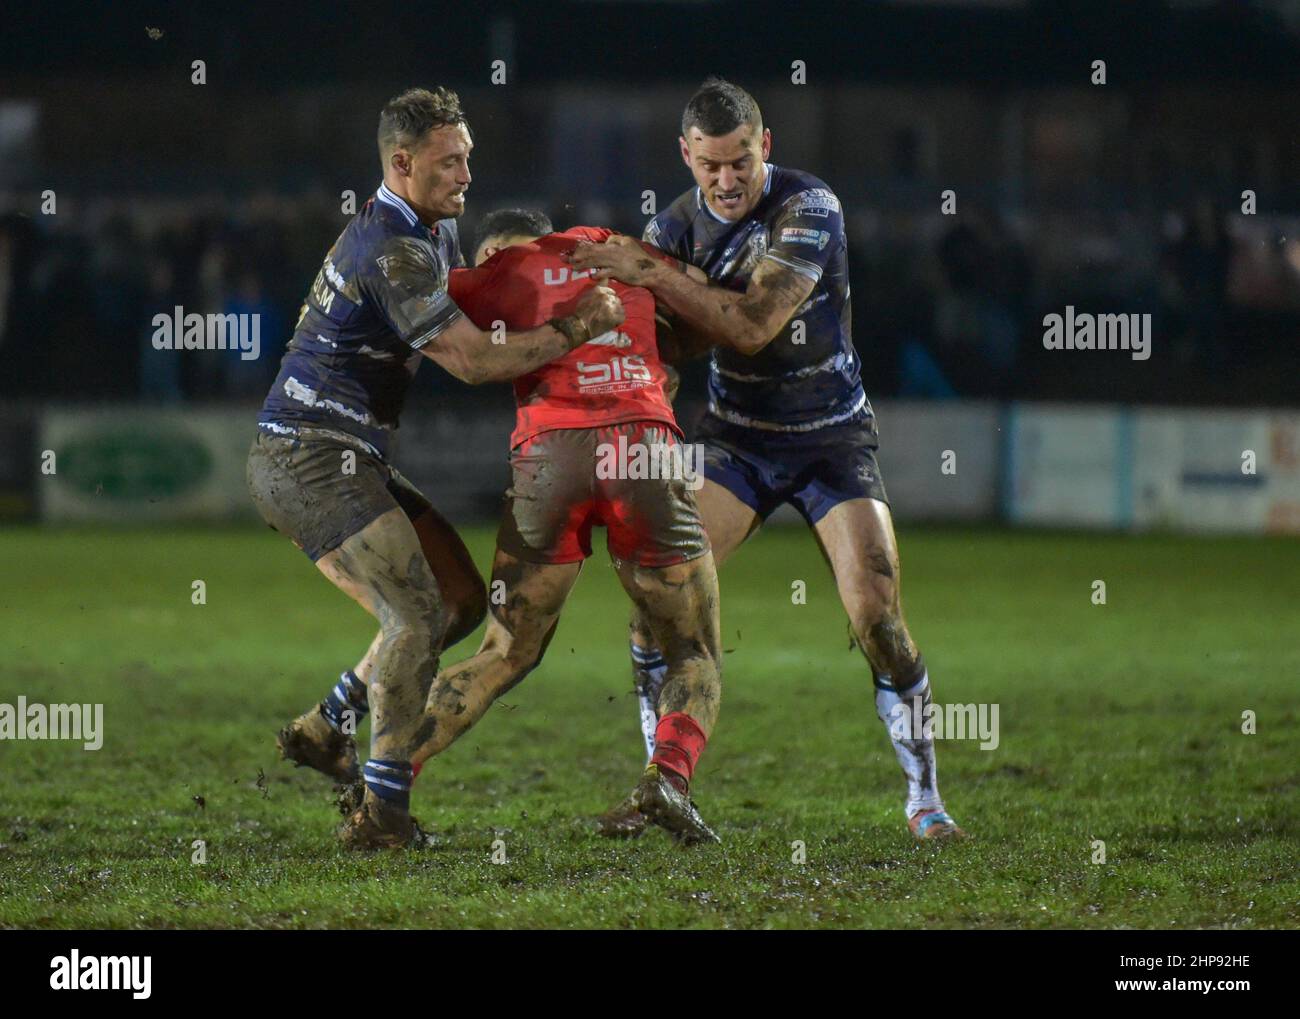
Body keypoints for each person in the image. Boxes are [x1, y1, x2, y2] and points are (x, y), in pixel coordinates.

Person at [569, 78, 966, 841]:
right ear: (686, 154)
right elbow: (665, 345)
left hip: (831, 438)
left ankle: (926, 799)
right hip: (738, 440)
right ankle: (660, 783)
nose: (727, 179)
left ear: (766, 147)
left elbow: (753, 324)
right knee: (659, 602)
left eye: (741, 161)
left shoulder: (809, 208)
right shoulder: (673, 228)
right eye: (711, 164)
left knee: (877, 615)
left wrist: (652, 274)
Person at [250, 88, 624, 849]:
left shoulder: (425, 234)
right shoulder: (394, 245)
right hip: (307, 452)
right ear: (401, 162)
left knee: (454, 600)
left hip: (344, 451)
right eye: (449, 162)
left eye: (467, 160)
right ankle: (382, 816)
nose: (465, 176)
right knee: (415, 612)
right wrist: (579, 325)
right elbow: (475, 360)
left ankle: (330, 727)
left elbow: (475, 314)